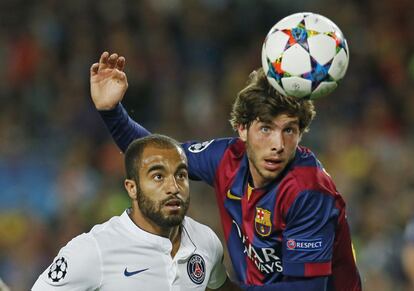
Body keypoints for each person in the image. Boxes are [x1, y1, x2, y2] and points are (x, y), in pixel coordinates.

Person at [90, 51, 362, 291]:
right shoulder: (226, 159)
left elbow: (306, 289)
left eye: (289, 130)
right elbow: (157, 157)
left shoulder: (308, 191)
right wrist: (112, 112)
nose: (278, 145)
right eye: (266, 128)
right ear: (242, 129)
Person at [32, 134, 240, 291]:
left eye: (181, 175)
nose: (173, 187)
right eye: (158, 176)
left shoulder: (206, 241)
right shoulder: (93, 250)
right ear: (132, 188)